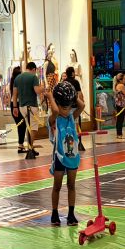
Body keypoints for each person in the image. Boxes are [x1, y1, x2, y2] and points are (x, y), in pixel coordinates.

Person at [46, 81, 85, 227]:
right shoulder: (53, 120)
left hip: (72, 157)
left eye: (69, 107)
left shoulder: (71, 117)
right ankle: (54, 213)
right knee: (57, 186)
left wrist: (73, 95)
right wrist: (50, 97)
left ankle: (71, 214)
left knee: (71, 185)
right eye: (64, 107)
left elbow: (82, 106)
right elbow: (56, 111)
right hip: (59, 157)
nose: (67, 110)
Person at [13, 62, 45, 158]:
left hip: (21, 107)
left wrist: (15, 107)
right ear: (34, 69)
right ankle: (30, 149)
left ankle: (31, 147)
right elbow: (37, 91)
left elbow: (14, 94)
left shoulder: (17, 78)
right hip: (31, 106)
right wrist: (42, 88)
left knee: (29, 127)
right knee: (34, 128)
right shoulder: (33, 77)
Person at [9, 66, 27, 153]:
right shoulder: (17, 83)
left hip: (15, 104)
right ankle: (20, 145)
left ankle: (21, 145)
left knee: (22, 125)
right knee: (22, 125)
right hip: (16, 105)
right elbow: (16, 96)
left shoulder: (13, 82)